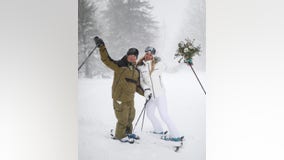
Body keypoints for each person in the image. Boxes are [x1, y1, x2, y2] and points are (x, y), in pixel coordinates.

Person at [94, 36, 144, 142]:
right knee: (122, 119)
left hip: (130, 99)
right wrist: (102, 47)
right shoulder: (119, 66)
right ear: (126, 56)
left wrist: (146, 93)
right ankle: (120, 135)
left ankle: (128, 133)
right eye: (130, 55)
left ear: (136, 58)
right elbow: (106, 60)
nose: (132, 58)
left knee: (130, 117)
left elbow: (137, 87)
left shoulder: (136, 71)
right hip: (120, 98)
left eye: (134, 56)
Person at [137, 46, 183, 142]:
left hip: (160, 95)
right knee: (149, 113)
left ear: (153, 55)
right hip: (151, 96)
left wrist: (183, 62)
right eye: (147, 53)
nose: (148, 56)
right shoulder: (141, 67)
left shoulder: (159, 64)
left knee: (164, 115)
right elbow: (142, 81)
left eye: (150, 54)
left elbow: (171, 69)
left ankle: (175, 135)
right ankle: (158, 130)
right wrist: (146, 90)